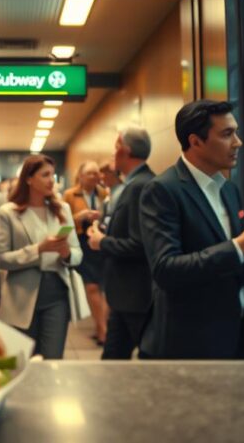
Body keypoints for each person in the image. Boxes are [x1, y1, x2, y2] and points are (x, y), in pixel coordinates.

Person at [139, 100, 244, 359]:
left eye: (235, 132)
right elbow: (166, 269)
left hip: (241, 331)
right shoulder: (163, 190)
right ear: (195, 141)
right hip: (191, 341)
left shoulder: (229, 189)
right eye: (227, 134)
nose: (238, 142)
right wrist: (239, 247)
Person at [0, 154, 83, 359]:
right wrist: (38, 250)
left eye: (52, 174)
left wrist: (67, 254)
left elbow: (78, 253)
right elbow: (1, 259)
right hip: (21, 296)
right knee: (23, 361)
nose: (52, 180)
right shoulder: (8, 213)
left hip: (57, 294)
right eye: (45, 175)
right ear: (29, 179)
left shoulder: (63, 209)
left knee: (53, 359)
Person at [87, 127, 155, 359]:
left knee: (147, 360)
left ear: (125, 152)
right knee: (113, 360)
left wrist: (102, 241)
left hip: (135, 294)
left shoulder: (139, 186)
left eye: (116, 148)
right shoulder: (135, 184)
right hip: (127, 295)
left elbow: (140, 245)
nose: (113, 153)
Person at [62, 161, 109, 345]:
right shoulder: (69, 195)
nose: (94, 176)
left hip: (101, 240)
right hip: (82, 242)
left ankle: (102, 325)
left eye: (96, 173)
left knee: (105, 286)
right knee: (91, 286)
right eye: (90, 173)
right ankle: (102, 329)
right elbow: (62, 222)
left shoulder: (104, 194)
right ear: (80, 175)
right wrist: (80, 216)